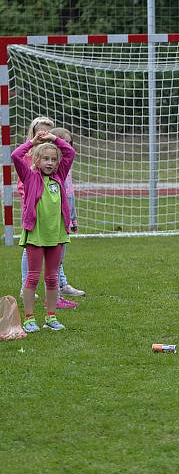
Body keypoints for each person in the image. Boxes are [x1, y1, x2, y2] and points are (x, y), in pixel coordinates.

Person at [12, 129, 76, 333]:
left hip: (56, 235)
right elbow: (15, 155)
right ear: (37, 160)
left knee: (52, 278)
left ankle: (51, 316)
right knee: (32, 277)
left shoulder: (60, 176)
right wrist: (33, 142)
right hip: (36, 236)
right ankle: (29, 318)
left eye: (53, 159)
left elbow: (70, 153)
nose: (50, 163)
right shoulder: (30, 177)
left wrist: (53, 138)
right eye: (45, 159)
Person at [48, 127, 85, 303]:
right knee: (52, 259)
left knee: (59, 258)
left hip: (65, 220)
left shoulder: (67, 169)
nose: (68, 146)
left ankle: (61, 288)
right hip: (52, 221)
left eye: (69, 142)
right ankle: (54, 295)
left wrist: (74, 217)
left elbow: (69, 197)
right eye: (64, 142)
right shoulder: (51, 169)